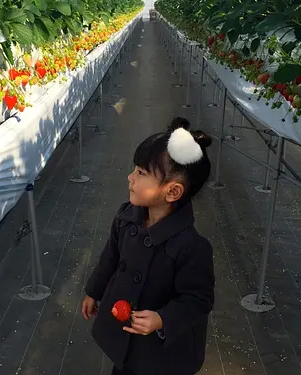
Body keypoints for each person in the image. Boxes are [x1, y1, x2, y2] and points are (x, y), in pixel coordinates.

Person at [82, 120, 215, 375]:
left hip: (161, 353)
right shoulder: (127, 217)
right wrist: (94, 290)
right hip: (127, 337)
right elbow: (110, 257)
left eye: (141, 173)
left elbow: (198, 299)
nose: (131, 178)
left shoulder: (191, 247)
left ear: (173, 192)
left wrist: (163, 318)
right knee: (124, 364)